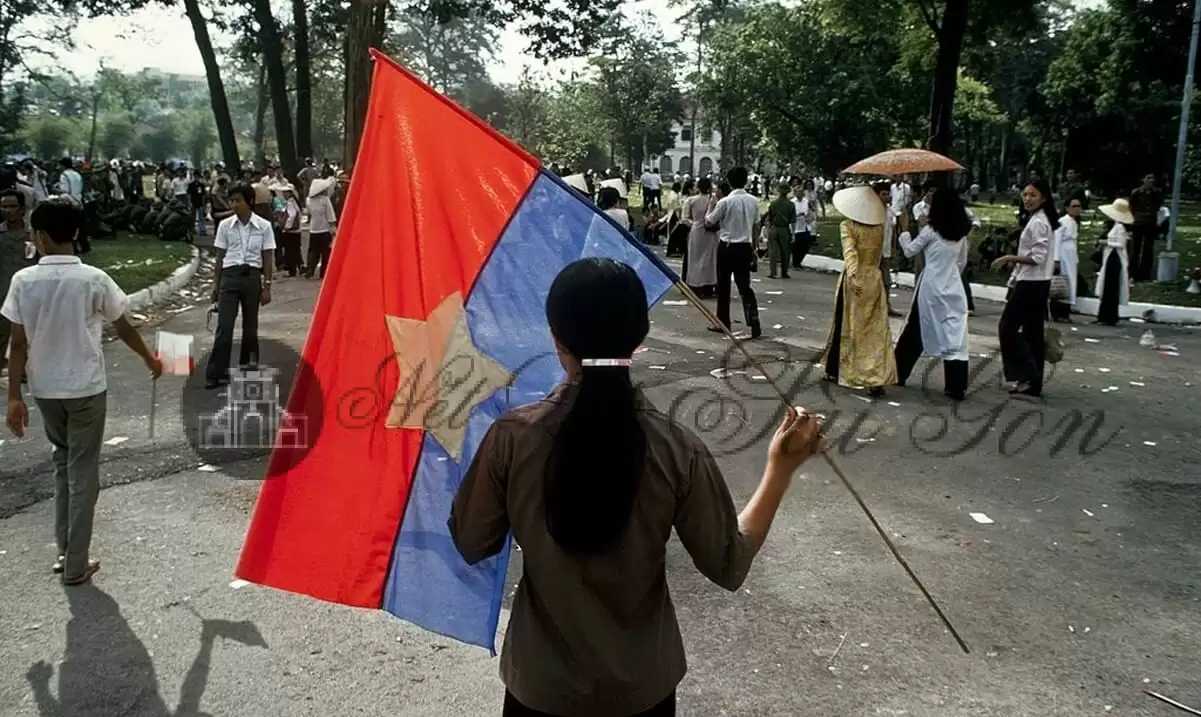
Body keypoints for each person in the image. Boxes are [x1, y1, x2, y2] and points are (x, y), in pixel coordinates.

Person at [449, 257, 825, 717]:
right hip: (643, 691)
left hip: (541, 688)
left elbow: (471, 540)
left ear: (555, 338)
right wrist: (780, 471)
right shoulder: (676, 448)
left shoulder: (512, 438)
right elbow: (728, 562)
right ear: (640, 340)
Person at [3, 200, 162, 586]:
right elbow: (122, 327)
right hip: (87, 388)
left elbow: (18, 345)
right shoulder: (93, 278)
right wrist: (149, 358)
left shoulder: (23, 282)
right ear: (74, 233)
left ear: (39, 236)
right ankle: (76, 561)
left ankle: (64, 550)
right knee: (83, 471)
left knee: (63, 465)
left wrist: (13, 397)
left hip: (45, 390)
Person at [893, 188, 971, 401]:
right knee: (955, 336)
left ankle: (897, 372)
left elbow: (909, 250)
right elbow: (961, 262)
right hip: (953, 288)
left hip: (930, 288)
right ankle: (956, 386)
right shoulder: (961, 234)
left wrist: (904, 230)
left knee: (915, 330)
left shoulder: (931, 231)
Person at [820, 185, 897, 397]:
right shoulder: (881, 225)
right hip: (875, 278)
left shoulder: (848, 226)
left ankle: (837, 369)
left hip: (856, 281)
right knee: (875, 330)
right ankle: (877, 377)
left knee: (846, 326)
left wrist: (853, 275)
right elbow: (882, 253)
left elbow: (850, 253)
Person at [992, 179, 1058, 398]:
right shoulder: (1038, 220)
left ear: (1043, 198)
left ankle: (1027, 374)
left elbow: (1037, 257)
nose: (1028, 199)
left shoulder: (1039, 222)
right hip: (1033, 282)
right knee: (1031, 333)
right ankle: (1032, 381)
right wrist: (1014, 276)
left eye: (1033, 195)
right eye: (1026, 194)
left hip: (1033, 284)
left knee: (1007, 328)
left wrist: (1008, 257)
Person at [206, 184, 275, 390]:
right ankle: (216, 372)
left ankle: (248, 368)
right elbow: (219, 258)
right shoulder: (225, 226)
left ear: (250, 202)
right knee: (224, 326)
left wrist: (267, 286)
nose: (234, 205)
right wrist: (215, 286)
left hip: (252, 277)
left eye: (238, 200)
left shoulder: (264, 226)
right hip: (230, 276)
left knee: (250, 326)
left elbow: (267, 257)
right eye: (232, 201)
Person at [705, 167, 762, 339]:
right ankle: (753, 320)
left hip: (727, 246)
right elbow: (756, 226)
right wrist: (754, 248)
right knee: (745, 286)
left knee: (723, 286)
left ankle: (723, 322)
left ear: (729, 182)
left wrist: (711, 205)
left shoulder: (725, 202)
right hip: (745, 246)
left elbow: (709, 222)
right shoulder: (753, 201)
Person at [0, 188, 35, 369]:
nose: (8, 210)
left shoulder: (34, 235)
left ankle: (23, 369)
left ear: (22, 209)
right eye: (4, 206)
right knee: (2, 333)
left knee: (28, 335)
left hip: (29, 294)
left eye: (13, 206)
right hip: (3, 294)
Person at [1094, 199, 1133, 326]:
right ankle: (1103, 315)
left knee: (1111, 288)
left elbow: (1121, 244)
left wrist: (1106, 243)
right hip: (1111, 256)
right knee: (1107, 287)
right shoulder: (1116, 226)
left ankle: (1108, 317)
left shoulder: (1120, 227)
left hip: (1115, 258)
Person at [1050, 193, 1084, 322]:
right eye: (1074, 206)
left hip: (1070, 256)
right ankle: (1058, 312)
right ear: (1067, 208)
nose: (1077, 209)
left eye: (1079, 206)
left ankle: (1065, 311)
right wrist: (1056, 259)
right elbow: (1056, 240)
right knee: (1061, 283)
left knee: (1070, 283)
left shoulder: (1074, 222)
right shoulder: (1062, 221)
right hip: (1063, 255)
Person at [683, 177, 717, 298]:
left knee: (694, 258)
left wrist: (694, 224)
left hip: (696, 230)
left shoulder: (691, 200)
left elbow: (684, 218)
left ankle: (695, 284)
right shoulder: (713, 200)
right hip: (710, 231)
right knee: (709, 259)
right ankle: (709, 284)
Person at [1128, 173, 1163, 282]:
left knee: (1148, 249)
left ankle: (1145, 274)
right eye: (1148, 178)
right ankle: (1133, 273)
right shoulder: (1136, 193)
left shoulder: (1157, 193)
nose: (1151, 180)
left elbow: (1158, 205)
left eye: (1152, 178)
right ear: (1143, 179)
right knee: (1136, 248)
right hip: (1138, 222)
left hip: (1150, 222)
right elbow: (1132, 207)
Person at [306, 177, 337, 279]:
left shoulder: (309, 201)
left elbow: (309, 213)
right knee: (325, 252)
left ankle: (310, 268)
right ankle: (324, 272)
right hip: (324, 229)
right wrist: (333, 228)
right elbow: (330, 215)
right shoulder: (325, 200)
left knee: (313, 251)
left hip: (313, 229)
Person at [765, 182, 796, 279]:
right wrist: (793, 233)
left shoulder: (773, 203)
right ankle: (784, 272)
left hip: (774, 228)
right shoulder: (791, 205)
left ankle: (773, 272)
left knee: (773, 251)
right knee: (785, 251)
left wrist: (768, 229)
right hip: (784, 229)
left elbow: (769, 218)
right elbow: (793, 221)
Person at [276, 184, 305, 277]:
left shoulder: (290, 203)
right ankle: (300, 266)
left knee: (290, 251)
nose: (283, 194)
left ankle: (292, 270)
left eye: (285, 192)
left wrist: (286, 227)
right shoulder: (294, 202)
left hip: (291, 231)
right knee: (295, 249)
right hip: (296, 231)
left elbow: (292, 215)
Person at [791, 180, 817, 270]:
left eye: (801, 192)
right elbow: (791, 214)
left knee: (806, 246)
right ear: (795, 193)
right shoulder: (792, 202)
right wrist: (797, 215)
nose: (800, 193)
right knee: (797, 246)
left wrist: (810, 216)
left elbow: (812, 210)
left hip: (806, 225)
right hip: (796, 226)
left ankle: (799, 261)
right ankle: (795, 263)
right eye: (798, 192)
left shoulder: (806, 201)